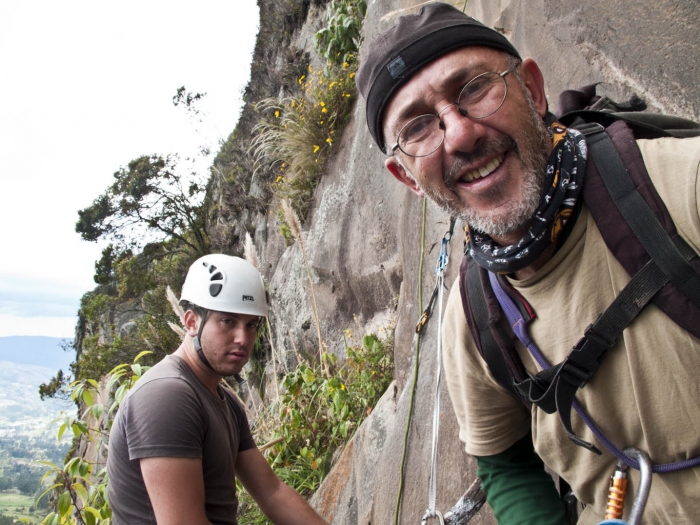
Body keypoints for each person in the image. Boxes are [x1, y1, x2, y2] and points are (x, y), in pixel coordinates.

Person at [356, 3, 700, 524]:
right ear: (407, 177)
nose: (460, 134)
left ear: (533, 90)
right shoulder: (473, 320)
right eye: (419, 127)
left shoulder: (680, 189)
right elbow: (505, 463)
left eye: (474, 88)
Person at [106, 254, 329, 525]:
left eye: (251, 325)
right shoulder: (166, 397)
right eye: (228, 321)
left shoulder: (225, 403)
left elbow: (272, 492)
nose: (242, 338)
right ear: (191, 322)